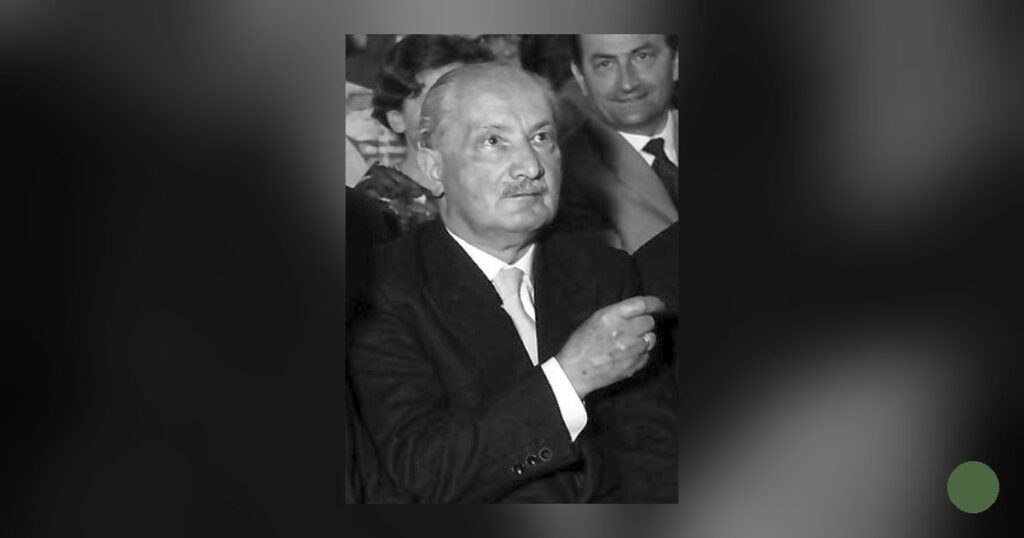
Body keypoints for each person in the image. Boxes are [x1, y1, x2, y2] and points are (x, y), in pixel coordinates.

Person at [347, 63, 677, 503]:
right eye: (493, 141)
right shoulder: (380, 288)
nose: (530, 166)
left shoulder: (604, 270)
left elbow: (655, 447)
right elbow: (421, 474)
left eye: (541, 138)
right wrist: (568, 378)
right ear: (433, 168)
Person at [354, 35, 492, 236]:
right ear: (397, 118)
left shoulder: (499, 188)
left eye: (469, 98)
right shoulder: (374, 208)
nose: (457, 113)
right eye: (437, 101)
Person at [555, 34, 679, 254]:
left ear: (676, 62)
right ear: (580, 77)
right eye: (606, 64)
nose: (627, 83)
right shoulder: (563, 174)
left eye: (642, 57)